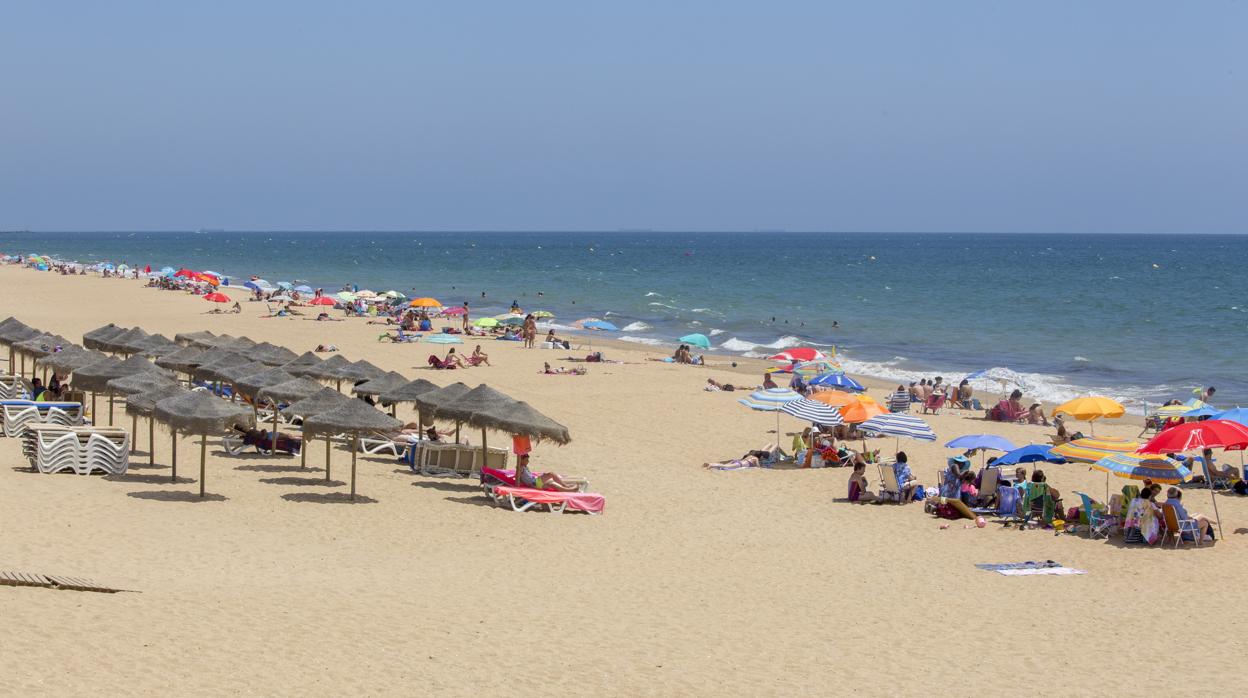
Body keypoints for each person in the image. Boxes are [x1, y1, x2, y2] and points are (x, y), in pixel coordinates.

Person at [513, 454, 579, 491]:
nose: (528, 461)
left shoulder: (524, 467)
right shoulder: (520, 468)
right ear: (521, 460)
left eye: (528, 460)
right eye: (526, 460)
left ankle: (568, 490)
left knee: (551, 483)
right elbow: (517, 478)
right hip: (535, 482)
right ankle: (566, 486)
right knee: (551, 474)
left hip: (536, 483)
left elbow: (525, 477)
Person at [702, 444, 778, 470]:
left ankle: (711, 464)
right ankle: (711, 464)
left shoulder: (751, 456)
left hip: (739, 462)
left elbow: (755, 458)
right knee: (725, 466)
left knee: (725, 465)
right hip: (740, 464)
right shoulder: (754, 458)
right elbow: (755, 459)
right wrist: (758, 466)